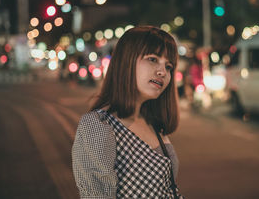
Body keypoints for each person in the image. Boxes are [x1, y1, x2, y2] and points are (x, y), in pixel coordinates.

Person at [72, 26, 183, 198]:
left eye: (169, 66)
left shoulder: (152, 121)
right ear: (127, 61)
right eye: (153, 59)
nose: (163, 72)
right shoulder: (98, 125)